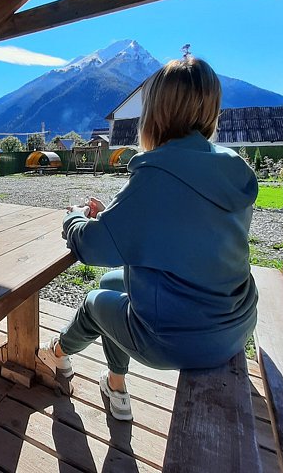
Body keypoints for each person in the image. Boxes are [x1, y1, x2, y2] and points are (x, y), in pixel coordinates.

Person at [37, 57, 258, 421]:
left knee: (95, 301)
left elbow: (91, 247)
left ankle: (56, 354)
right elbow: (187, 230)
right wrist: (115, 217)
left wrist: (72, 217)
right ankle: (116, 385)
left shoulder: (157, 172)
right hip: (234, 323)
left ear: (155, 112)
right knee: (113, 284)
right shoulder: (230, 168)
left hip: (178, 341)